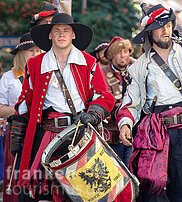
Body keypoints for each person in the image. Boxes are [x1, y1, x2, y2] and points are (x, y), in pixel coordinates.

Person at [116, 4, 182, 201]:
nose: (165, 30)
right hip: (154, 133)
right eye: (160, 26)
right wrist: (125, 124)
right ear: (150, 32)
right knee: (152, 189)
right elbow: (130, 102)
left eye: (168, 25)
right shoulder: (139, 67)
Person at [11, 13, 115, 201]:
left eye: (66, 30)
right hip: (47, 134)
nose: (61, 34)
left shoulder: (88, 62)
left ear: (73, 35)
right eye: (56, 30)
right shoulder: (35, 64)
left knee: (83, 190)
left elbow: (104, 95)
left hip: (79, 133)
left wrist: (93, 113)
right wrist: (21, 115)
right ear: (49, 35)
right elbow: (26, 99)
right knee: (47, 191)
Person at [0, 33, 41, 201]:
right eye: (31, 51)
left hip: (40, 132)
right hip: (17, 132)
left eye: (38, 51)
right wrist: (21, 111)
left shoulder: (43, 75)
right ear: (21, 53)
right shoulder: (9, 77)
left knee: (39, 178)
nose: (35, 54)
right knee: (15, 177)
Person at [101, 36, 134, 165]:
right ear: (111, 55)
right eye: (118, 52)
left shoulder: (136, 71)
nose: (122, 55)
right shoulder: (102, 73)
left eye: (125, 51)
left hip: (136, 134)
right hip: (112, 136)